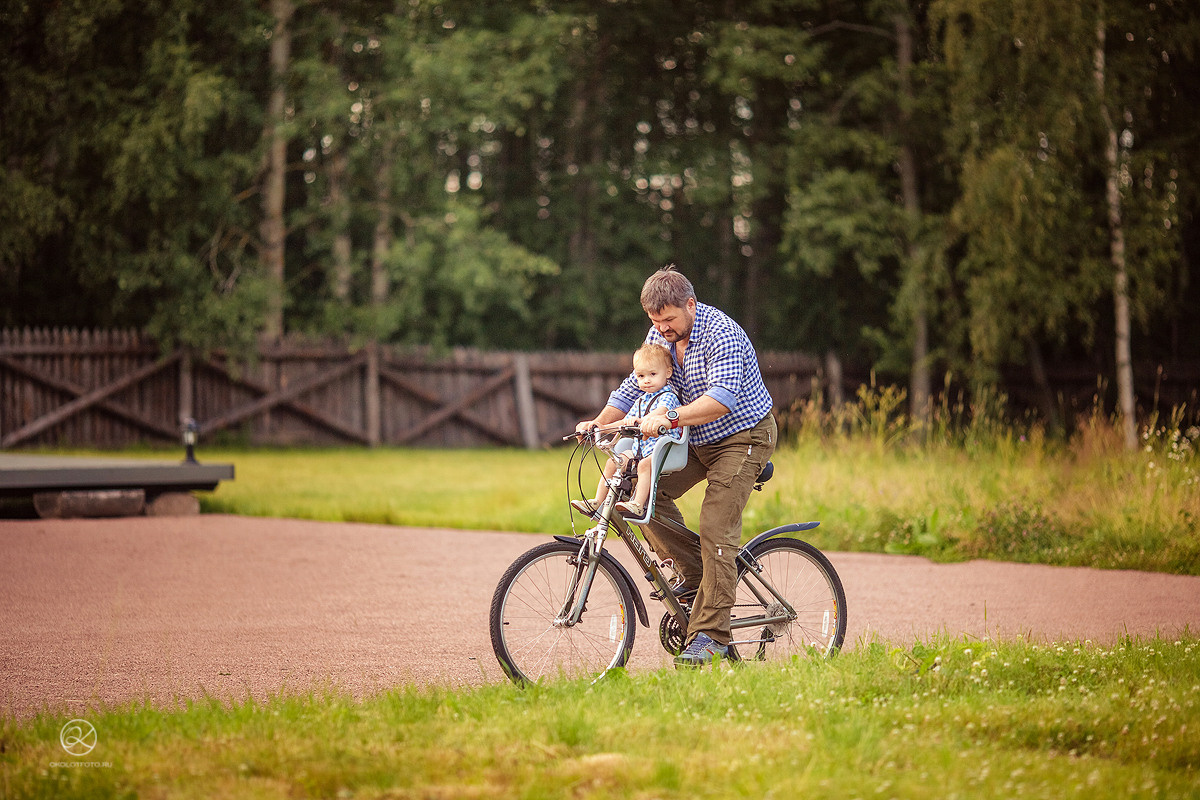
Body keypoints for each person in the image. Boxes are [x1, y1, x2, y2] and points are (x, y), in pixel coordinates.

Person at [577, 265, 776, 667]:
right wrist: (599, 423)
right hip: (695, 441)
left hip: (744, 437)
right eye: (654, 321)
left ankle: (712, 635)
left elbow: (721, 400)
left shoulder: (722, 334)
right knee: (639, 493)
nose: (662, 328)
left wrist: (669, 418)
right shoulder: (660, 335)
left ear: (690, 304)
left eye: (668, 319)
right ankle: (701, 579)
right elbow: (634, 385)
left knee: (716, 526)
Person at [571, 343, 682, 520]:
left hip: (664, 449)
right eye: (641, 375)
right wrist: (600, 427)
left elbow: (660, 413)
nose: (646, 380)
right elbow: (623, 422)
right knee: (614, 462)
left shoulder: (668, 396)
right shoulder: (640, 401)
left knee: (646, 465)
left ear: (667, 373)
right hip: (641, 449)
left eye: (652, 374)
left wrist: (642, 421)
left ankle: (638, 505)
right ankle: (597, 502)